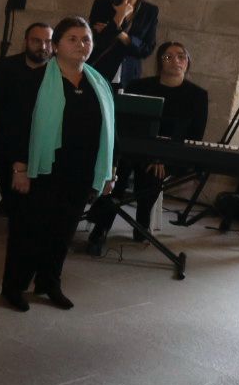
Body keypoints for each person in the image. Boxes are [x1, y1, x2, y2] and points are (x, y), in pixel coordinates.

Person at [0, 17, 116, 312]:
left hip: (80, 171)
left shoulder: (98, 83)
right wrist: (20, 167)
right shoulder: (35, 80)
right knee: (29, 231)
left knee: (62, 232)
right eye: (73, 39)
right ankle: (14, 287)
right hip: (42, 169)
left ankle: (50, 283)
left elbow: (110, 131)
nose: (81, 45)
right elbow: (16, 127)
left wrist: (108, 172)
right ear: (56, 46)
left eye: (86, 39)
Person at [86, 40, 210, 253]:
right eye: (168, 56)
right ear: (160, 62)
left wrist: (163, 157)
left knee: (152, 174)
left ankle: (141, 222)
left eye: (181, 56)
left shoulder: (197, 96)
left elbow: (193, 136)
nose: (175, 61)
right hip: (132, 149)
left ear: (188, 62)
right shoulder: (138, 86)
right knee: (117, 171)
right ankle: (101, 228)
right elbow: (124, 126)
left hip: (169, 155)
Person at [0, 21, 54, 214]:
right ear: (25, 41)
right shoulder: (4, 67)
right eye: (36, 41)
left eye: (48, 41)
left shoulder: (57, 72)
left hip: (42, 143)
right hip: (7, 140)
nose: (43, 46)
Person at [88, 0, 158, 84]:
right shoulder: (103, 4)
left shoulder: (150, 11)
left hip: (129, 73)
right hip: (100, 68)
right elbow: (98, 41)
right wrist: (119, 16)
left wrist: (121, 35)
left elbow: (147, 49)